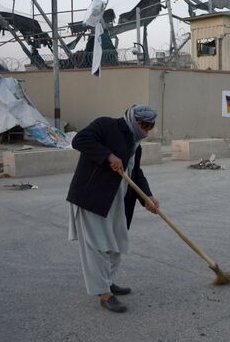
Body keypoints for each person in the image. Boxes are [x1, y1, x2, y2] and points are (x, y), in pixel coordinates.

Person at [67, 104, 160, 313]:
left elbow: (136, 173)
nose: (145, 132)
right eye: (144, 127)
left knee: (116, 243)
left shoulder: (136, 143)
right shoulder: (106, 125)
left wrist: (147, 197)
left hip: (118, 202)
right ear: (134, 121)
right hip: (93, 198)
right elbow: (79, 140)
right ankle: (104, 294)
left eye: (148, 128)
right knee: (97, 246)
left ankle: (107, 281)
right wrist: (108, 155)